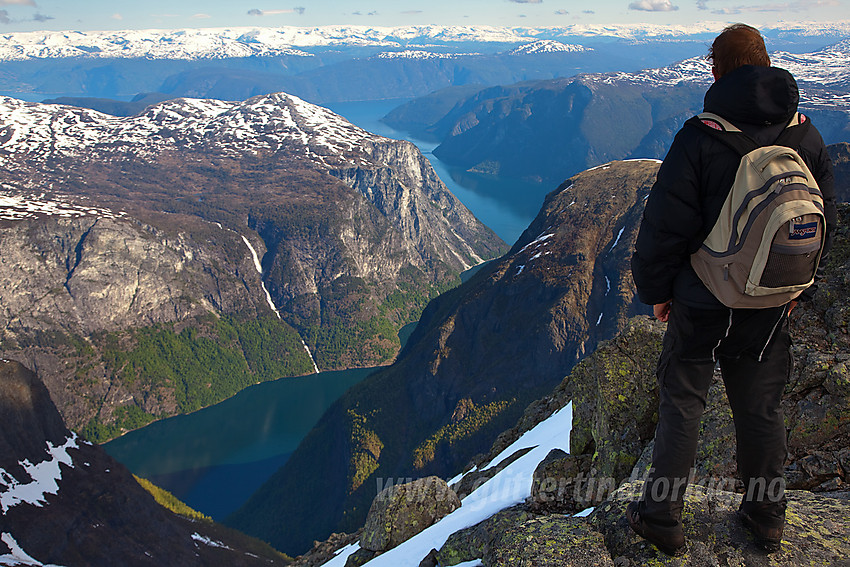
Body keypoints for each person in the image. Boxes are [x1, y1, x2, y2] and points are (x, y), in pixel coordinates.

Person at [628, 23, 836, 555]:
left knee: (684, 399)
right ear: (765, 63)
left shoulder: (700, 137)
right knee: (761, 406)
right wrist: (796, 288)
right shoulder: (805, 135)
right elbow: (824, 221)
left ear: (716, 70)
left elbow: (664, 228)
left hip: (705, 296)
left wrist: (657, 290)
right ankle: (766, 515)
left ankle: (663, 517)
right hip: (771, 300)